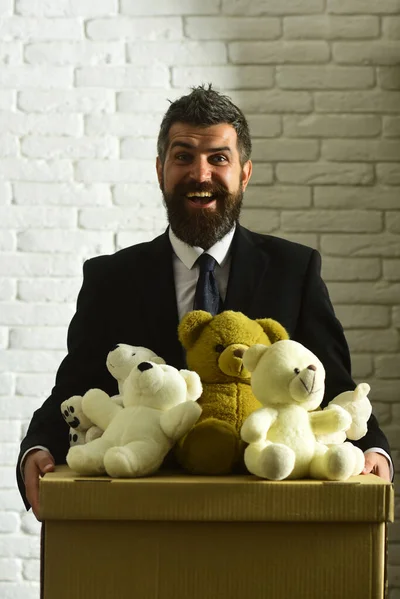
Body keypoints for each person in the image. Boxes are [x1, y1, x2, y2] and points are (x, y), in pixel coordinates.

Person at [17, 84, 392, 520]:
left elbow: (333, 382)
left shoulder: (295, 269)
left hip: (264, 503)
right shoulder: (110, 278)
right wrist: (36, 448)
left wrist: (374, 449)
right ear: (160, 170)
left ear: (244, 173)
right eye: (183, 157)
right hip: (147, 507)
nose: (201, 174)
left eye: (219, 157)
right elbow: (76, 386)